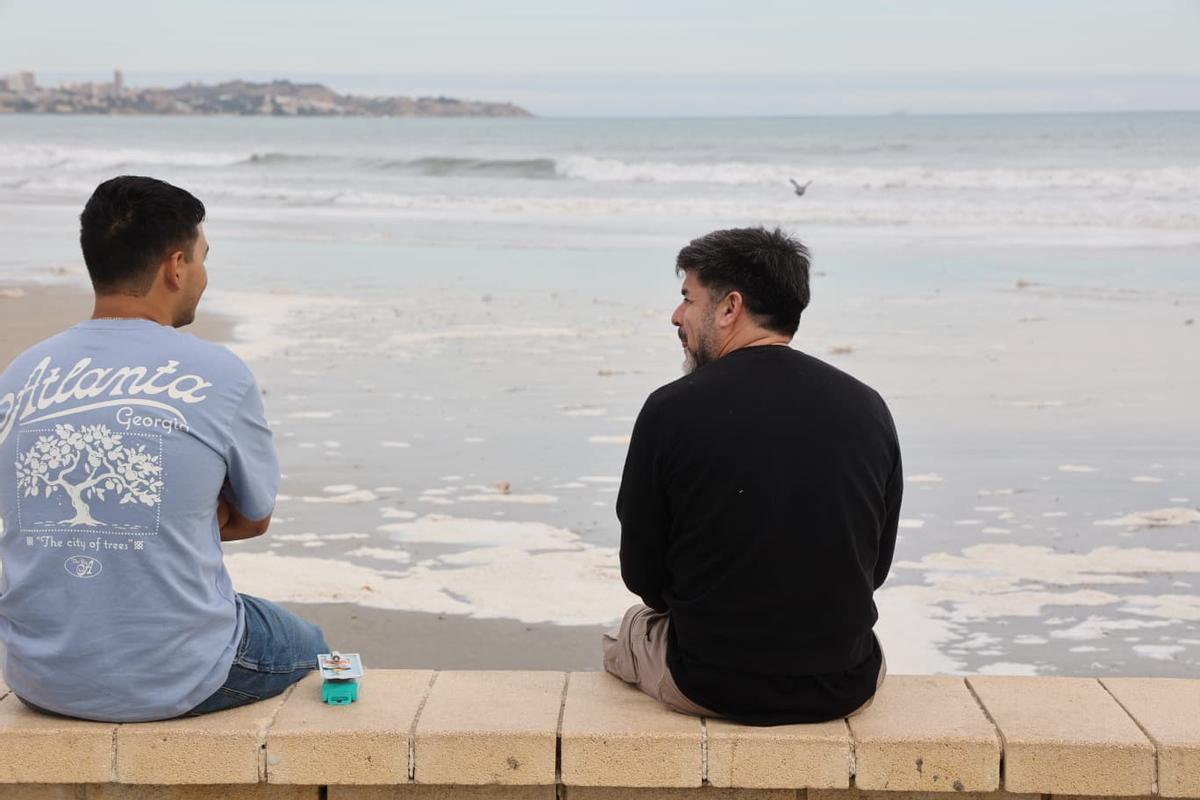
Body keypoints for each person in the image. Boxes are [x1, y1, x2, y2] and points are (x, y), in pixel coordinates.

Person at [0, 175, 327, 722]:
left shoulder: (21, 373)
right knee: (310, 641)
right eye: (202, 257)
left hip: (40, 676)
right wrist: (177, 509)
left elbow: (23, 515)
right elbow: (253, 519)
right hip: (179, 676)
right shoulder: (217, 374)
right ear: (175, 267)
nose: (202, 275)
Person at [604, 226, 901, 725]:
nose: (676, 317)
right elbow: (874, 569)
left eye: (687, 300)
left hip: (710, 683)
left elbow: (643, 578)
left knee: (625, 631)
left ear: (728, 308)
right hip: (846, 682)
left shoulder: (670, 410)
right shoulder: (868, 406)